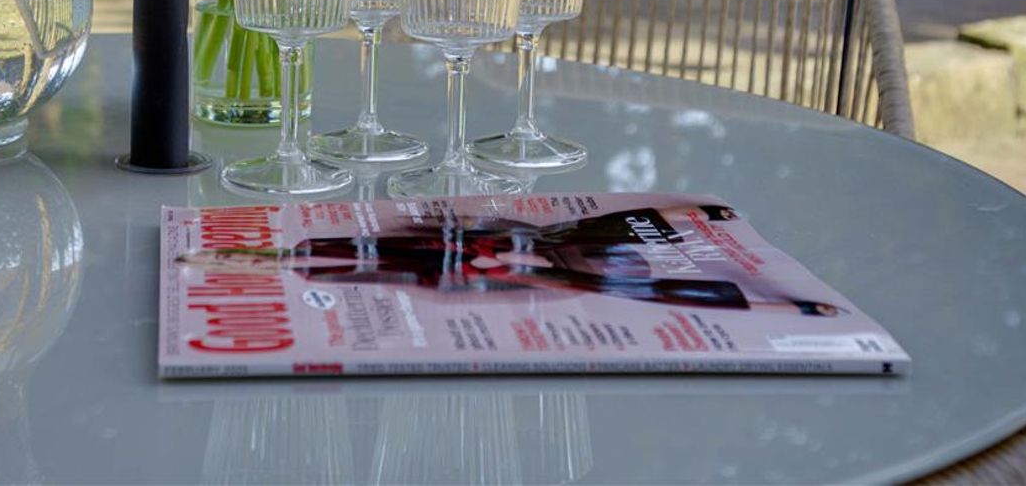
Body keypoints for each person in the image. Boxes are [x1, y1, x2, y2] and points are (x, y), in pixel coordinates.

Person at [180, 203, 842, 315]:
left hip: (416, 265)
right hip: (404, 258)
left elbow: (672, 289)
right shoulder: (549, 252)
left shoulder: (566, 265)